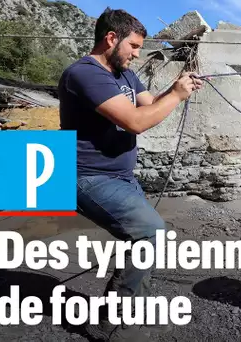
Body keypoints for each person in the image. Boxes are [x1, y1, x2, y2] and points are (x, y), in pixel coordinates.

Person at [58, 7, 202, 341]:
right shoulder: (85, 73)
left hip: (121, 176)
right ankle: (111, 321)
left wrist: (179, 88)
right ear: (111, 38)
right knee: (150, 232)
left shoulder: (124, 74)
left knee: (145, 239)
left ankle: (130, 305)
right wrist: (177, 96)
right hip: (85, 176)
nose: (137, 55)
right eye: (134, 46)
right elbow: (136, 121)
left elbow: (150, 104)